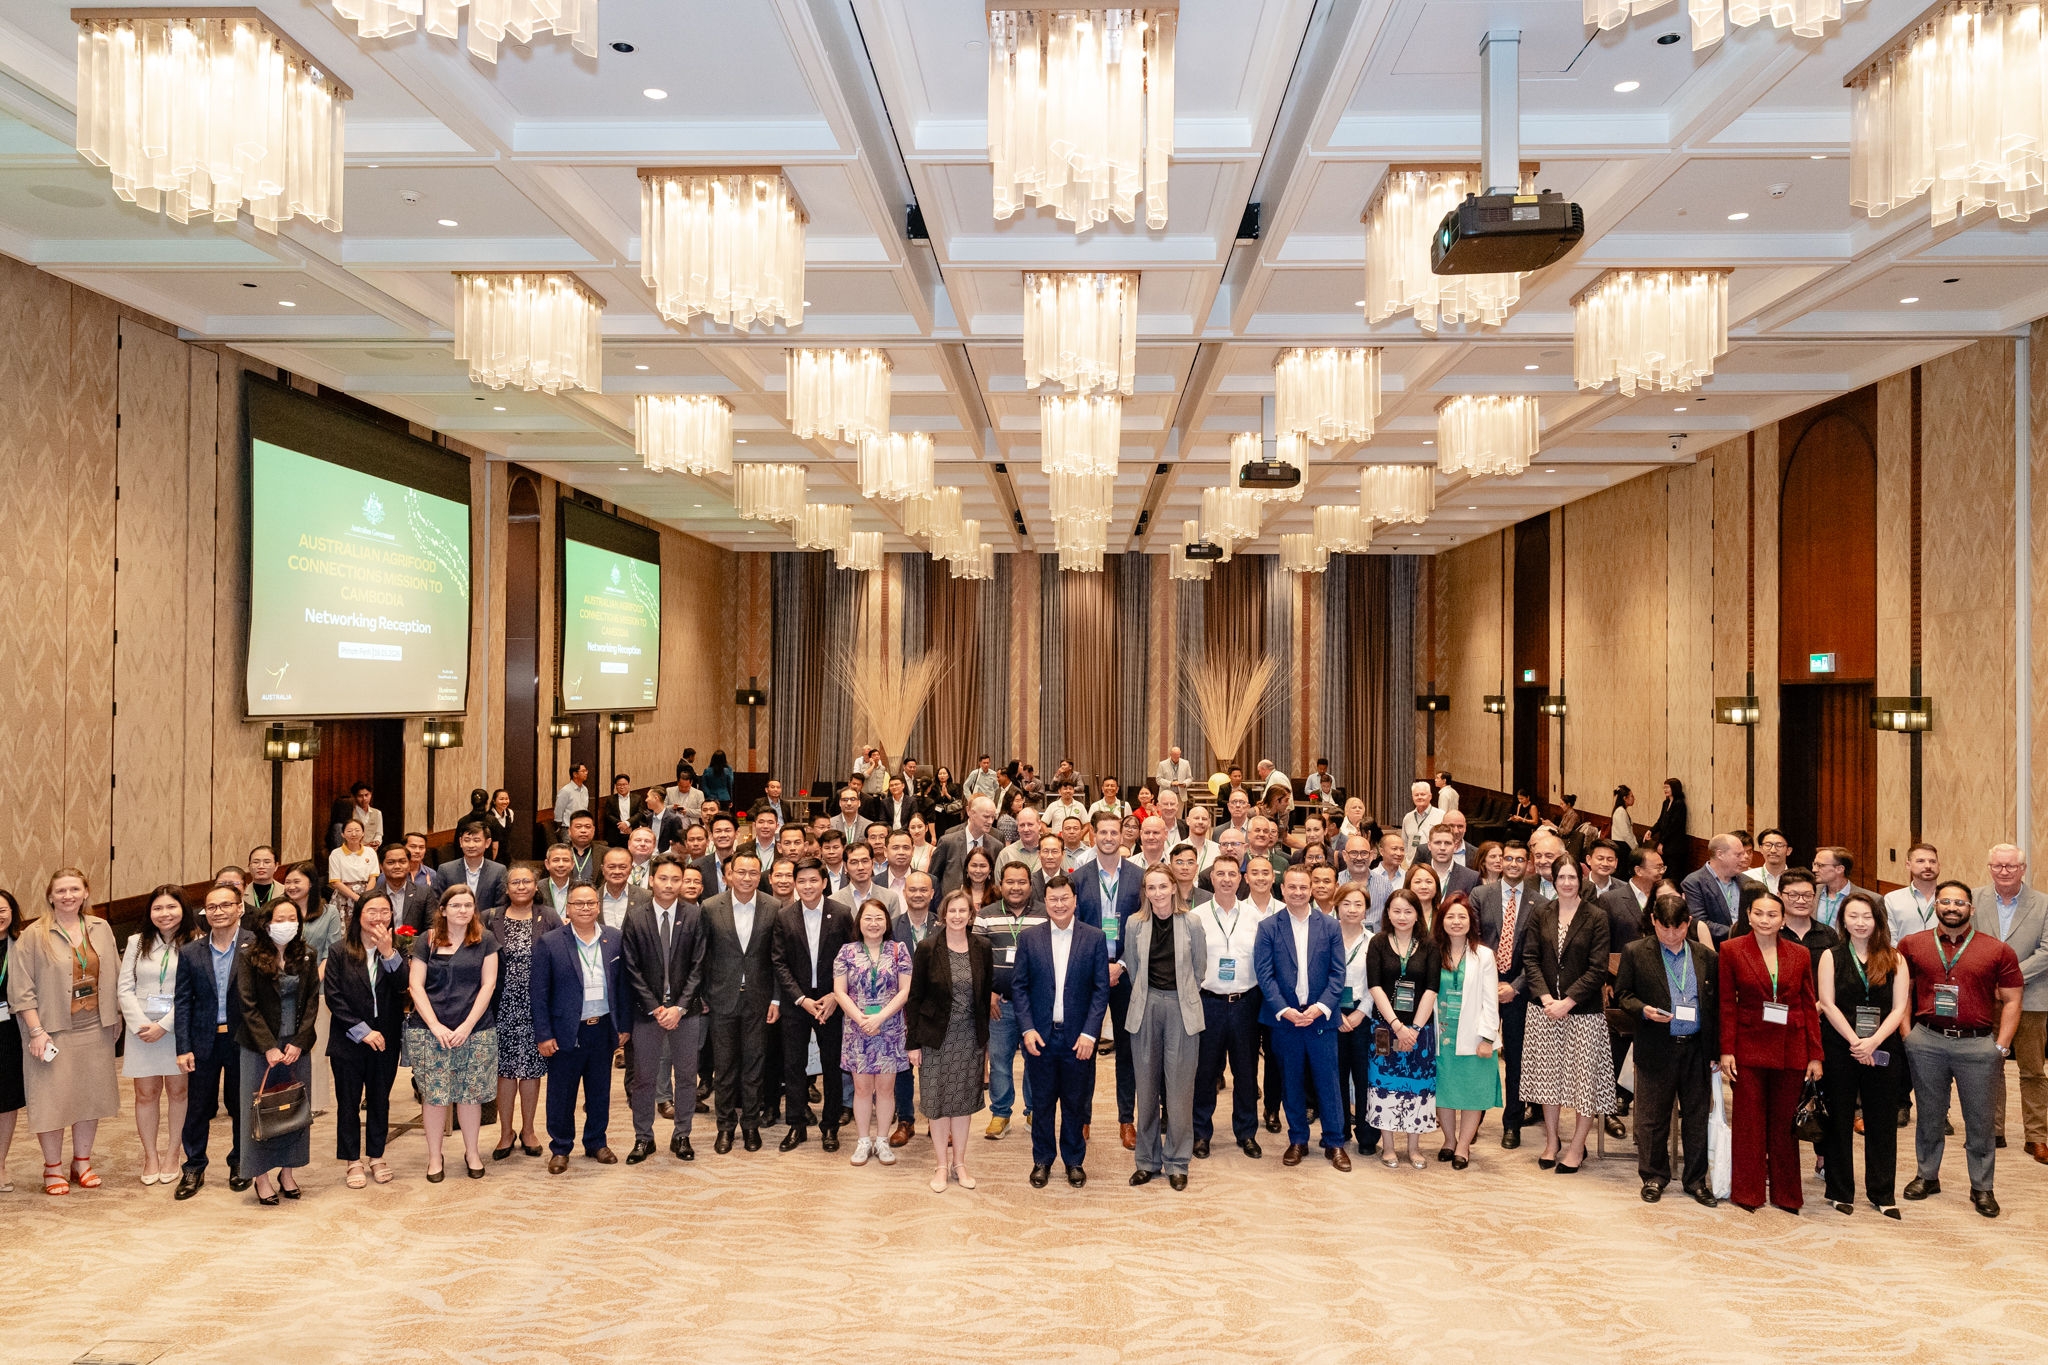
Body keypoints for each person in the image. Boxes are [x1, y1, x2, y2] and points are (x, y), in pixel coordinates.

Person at [1901, 879, 2024, 1216]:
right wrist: (1907, 1034)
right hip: (1926, 1041)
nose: (1952, 908)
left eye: (1959, 903)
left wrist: (2000, 1048)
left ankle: (1982, 1187)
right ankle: (1927, 1176)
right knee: (1929, 1115)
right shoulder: (1912, 945)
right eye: (1945, 902)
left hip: (1977, 1046)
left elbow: (2013, 1000)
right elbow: (1903, 990)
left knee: (1980, 1121)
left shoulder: (1997, 950)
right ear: (1935, 906)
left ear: (1971, 908)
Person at [8, 869, 120, 1197]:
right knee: (52, 1100)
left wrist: (116, 1015)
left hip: (95, 1028)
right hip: (51, 1031)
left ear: (86, 892)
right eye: (61, 890)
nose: (68, 895)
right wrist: (36, 1031)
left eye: (75, 889)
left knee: (90, 1097)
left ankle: (82, 1162)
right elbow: (21, 990)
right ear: (50, 895)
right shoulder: (34, 934)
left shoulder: (101, 928)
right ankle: (52, 1166)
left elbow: (112, 972)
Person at [1719, 891, 1823, 1213]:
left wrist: (1815, 1054)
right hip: (1748, 1047)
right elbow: (1725, 1004)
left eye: (1772, 915)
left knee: (1784, 1126)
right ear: (1748, 915)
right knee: (1749, 1124)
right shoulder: (1731, 949)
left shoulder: (1800, 954)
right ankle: (1748, 1193)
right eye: (1759, 914)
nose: (1766, 920)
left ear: (1783, 918)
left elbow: (1808, 1004)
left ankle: (1787, 1195)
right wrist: (1726, 1050)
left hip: (1791, 1047)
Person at [1614, 892, 1721, 1205]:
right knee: (1652, 1119)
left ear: (1688, 923)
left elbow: (1715, 1007)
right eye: (1664, 928)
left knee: (1696, 1118)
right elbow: (1622, 995)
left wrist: (1715, 1050)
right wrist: (1644, 1010)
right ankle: (1653, 1176)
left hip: (1696, 1049)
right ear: (1653, 922)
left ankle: (1696, 1181)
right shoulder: (1636, 952)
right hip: (1657, 1045)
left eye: (1678, 928)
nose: (1671, 935)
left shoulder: (1705, 956)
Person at [1816, 892, 1909, 1217]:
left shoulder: (1895, 958)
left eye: (1866, 917)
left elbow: (1899, 1008)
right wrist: (1856, 1041)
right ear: (1843, 920)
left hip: (1883, 1047)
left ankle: (1883, 1194)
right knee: (1839, 1118)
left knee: (1882, 1121)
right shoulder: (1832, 955)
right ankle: (1840, 1191)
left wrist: (1873, 1042)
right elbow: (1827, 1003)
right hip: (1841, 1045)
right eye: (1852, 916)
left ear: (1877, 921)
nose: (1859, 922)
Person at [1517, 859, 1614, 1174]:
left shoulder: (1596, 917)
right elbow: (1530, 957)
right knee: (1549, 1080)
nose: (1567, 882)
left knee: (1583, 1082)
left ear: (1581, 879)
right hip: (1544, 1010)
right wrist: (1546, 998)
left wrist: (1567, 1002)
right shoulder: (1541, 912)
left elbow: (1598, 968)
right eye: (1562, 877)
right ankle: (1551, 1142)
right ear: (1554, 880)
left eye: (1573, 877)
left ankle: (1576, 1147)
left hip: (1583, 1012)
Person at [1013, 876, 1109, 1188]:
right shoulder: (1029, 938)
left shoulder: (1094, 938)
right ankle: (1042, 1159)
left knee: (1075, 1103)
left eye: (1064, 898)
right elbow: (1020, 987)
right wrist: (1027, 1029)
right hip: (1040, 1037)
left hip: (1078, 1038)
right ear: (1046, 901)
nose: (1059, 904)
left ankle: (1073, 1161)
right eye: (1053, 899)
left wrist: (1090, 1034)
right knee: (1041, 1103)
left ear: (1075, 899)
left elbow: (1100, 990)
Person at [1255, 866, 1350, 1169]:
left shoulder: (1331, 926)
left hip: (1321, 1018)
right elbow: (1264, 973)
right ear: (1282, 890)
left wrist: (1320, 1007)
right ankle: (1298, 1139)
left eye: (1303, 887)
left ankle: (1334, 1142)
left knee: (1329, 1083)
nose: (1297, 892)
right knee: (1291, 1082)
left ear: (1311, 890)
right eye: (1292, 887)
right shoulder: (1269, 926)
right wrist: (1285, 1010)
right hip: (1285, 1019)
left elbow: (1338, 974)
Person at [406, 886, 501, 1182]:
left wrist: (467, 1026)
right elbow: (415, 985)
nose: (463, 910)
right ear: (443, 910)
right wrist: (435, 1025)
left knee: (470, 1096)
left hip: (475, 1029)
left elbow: (489, 986)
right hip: (430, 1032)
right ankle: (435, 1156)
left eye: (468, 905)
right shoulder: (428, 940)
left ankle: (472, 1152)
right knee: (435, 1097)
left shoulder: (485, 940)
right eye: (456, 905)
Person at [528, 882, 624, 1171]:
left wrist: (624, 1026)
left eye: (590, 903)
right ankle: (560, 1147)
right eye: (578, 903)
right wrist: (544, 1034)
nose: (585, 908)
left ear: (598, 906)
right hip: (566, 1030)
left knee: (600, 1091)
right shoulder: (551, 942)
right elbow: (539, 992)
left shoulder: (614, 938)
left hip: (603, 1027)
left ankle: (596, 1141)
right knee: (561, 1092)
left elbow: (623, 987)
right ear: (567, 908)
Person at [906, 889, 995, 1193]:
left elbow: (984, 997)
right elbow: (915, 998)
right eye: (952, 911)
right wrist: (913, 1043)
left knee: (962, 1103)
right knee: (936, 1102)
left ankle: (960, 1162)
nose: (958, 916)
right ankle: (941, 1165)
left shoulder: (982, 947)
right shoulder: (928, 948)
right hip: (934, 1039)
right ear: (943, 914)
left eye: (964, 911)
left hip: (969, 1038)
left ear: (972, 915)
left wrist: (985, 1043)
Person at [619, 854, 707, 1163]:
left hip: (686, 1012)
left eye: (675, 879)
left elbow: (699, 966)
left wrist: (680, 1007)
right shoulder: (636, 915)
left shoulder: (695, 915)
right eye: (663, 879)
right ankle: (644, 1137)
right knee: (644, 1077)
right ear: (651, 880)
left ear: (683, 882)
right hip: (648, 1012)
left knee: (685, 1076)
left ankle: (681, 1135)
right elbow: (630, 967)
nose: (669, 885)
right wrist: (656, 1008)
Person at [1124, 867, 1206, 1190]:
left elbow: (1199, 970)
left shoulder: (1192, 923)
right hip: (1145, 1008)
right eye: (1151, 887)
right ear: (1145, 891)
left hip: (1182, 1010)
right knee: (1145, 1090)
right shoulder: (1135, 924)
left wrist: (1180, 996)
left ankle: (1177, 1161)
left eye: (1163, 886)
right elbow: (1133, 967)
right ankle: (1147, 1160)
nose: (1157, 893)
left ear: (1174, 887)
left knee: (1179, 1093)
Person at [234, 897, 319, 1205]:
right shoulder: (249, 956)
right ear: (267, 923)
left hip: (296, 1045)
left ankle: (288, 1171)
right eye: (279, 919)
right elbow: (247, 1004)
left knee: (293, 1108)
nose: (286, 924)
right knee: (260, 1109)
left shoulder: (307, 954)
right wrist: (269, 1046)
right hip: (260, 1048)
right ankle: (261, 1176)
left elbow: (311, 1002)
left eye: (291, 918)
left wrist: (298, 1041)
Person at [173, 885, 253, 1200]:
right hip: (202, 1041)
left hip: (242, 1040)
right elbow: (183, 1003)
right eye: (211, 907)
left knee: (241, 1105)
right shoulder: (191, 952)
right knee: (197, 1108)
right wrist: (183, 1047)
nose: (218, 912)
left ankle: (240, 1162)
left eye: (225, 905)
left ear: (240, 908)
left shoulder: (255, 946)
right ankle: (194, 1167)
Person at [323, 888, 406, 1188]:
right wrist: (363, 1031)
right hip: (349, 1040)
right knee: (348, 1102)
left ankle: (376, 1155)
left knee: (380, 1100)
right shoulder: (339, 951)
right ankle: (352, 1161)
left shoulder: (397, 949)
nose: (379, 917)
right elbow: (334, 997)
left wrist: (388, 954)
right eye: (372, 911)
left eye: (385, 911)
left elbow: (404, 987)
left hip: (386, 1038)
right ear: (359, 916)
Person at [772, 860, 855, 1152]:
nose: (807, 886)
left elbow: (850, 957)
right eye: (802, 881)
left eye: (813, 880)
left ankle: (830, 1127)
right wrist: (801, 999)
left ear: (823, 882)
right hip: (798, 1003)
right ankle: (796, 1125)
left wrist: (836, 994)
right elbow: (779, 962)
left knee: (833, 1066)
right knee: (793, 1065)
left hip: (832, 1002)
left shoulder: (842, 913)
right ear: (796, 884)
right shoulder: (784, 916)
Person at [702, 852, 781, 1153]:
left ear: (760, 875)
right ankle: (725, 1127)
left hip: (759, 1000)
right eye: (741, 872)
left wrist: (776, 997)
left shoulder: (773, 906)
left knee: (754, 1065)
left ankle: (750, 1125)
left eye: (753, 872)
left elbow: (777, 958)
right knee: (724, 1068)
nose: (747, 877)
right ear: (729, 874)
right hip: (721, 999)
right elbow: (702, 955)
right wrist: (703, 995)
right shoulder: (710, 907)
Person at [1973, 844, 2047, 1161]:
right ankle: (1993, 1131)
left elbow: (2047, 951)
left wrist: (2011, 979)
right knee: (1990, 1065)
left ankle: (2037, 1136)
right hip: (1985, 997)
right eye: (1998, 866)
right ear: (1989, 868)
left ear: (2023, 869)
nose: (2004, 871)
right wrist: (1991, 983)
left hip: (2031, 997)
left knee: (2032, 1070)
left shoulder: (2043, 904)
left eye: (2011, 866)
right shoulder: (1973, 900)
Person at [119, 885, 195, 1185]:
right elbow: (124, 988)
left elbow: (194, 992)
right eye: (158, 908)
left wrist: (164, 1025)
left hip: (177, 1028)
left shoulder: (195, 941)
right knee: (145, 1094)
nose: (164, 914)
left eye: (171, 907)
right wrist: (140, 1024)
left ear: (182, 909)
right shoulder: (136, 943)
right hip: (141, 1030)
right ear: (150, 913)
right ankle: (150, 1155)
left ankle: (173, 1152)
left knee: (178, 1092)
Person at [1470, 845, 1543, 1150]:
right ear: (1499, 863)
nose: (1513, 864)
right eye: (1508, 859)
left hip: (1519, 991)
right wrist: (1489, 986)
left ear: (1529, 865)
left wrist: (1515, 986)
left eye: (1519, 859)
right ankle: (1472, 1121)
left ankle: (1512, 1122)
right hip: (1482, 987)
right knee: (1478, 1055)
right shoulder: (1480, 896)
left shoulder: (1540, 903)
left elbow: (1540, 955)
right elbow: (1471, 942)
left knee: (1516, 1059)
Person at [484, 864, 559, 1160]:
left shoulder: (549, 917)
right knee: (504, 1071)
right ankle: (506, 1132)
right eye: (515, 882)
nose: (521, 886)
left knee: (530, 1070)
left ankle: (528, 1130)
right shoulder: (490, 918)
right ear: (506, 888)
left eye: (526, 881)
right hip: (500, 1004)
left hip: (536, 1005)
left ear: (535, 885)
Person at [831, 900, 913, 1167]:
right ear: (859, 922)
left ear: (887, 922)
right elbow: (839, 992)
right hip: (857, 1029)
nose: (874, 923)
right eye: (868, 918)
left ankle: (882, 1140)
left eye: (879, 918)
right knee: (862, 1088)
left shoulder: (899, 951)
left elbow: (904, 991)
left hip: (889, 1029)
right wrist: (862, 1019)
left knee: (886, 1089)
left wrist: (879, 1017)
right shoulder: (846, 952)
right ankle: (863, 1140)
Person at [1365, 889, 1440, 1170]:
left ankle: (1414, 1147)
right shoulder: (1378, 942)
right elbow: (1375, 986)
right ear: (1387, 914)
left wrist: (1415, 1029)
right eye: (1396, 911)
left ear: (1417, 915)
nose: (1402, 917)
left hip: (1420, 1030)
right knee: (1385, 1087)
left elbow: (1432, 988)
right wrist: (1397, 1026)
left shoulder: (1430, 944)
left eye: (1408, 911)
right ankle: (1388, 1147)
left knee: (1417, 1088)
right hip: (1384, 1028)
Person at [976, 861, 1046, 1141]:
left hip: (1035, 1005)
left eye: (1021, 882)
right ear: (1000, 884)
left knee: (1035, 1059)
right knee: (1001, 1061)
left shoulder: (1044, 914)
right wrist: (987, 992)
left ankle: (1033, 1110)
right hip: (999, 1004)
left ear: (1031, 885)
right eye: (1010, 882)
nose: (1015, 887)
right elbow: (977, 960)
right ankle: (1001, 1113)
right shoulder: (985, 915)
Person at [1433, 894, 1501, 1169]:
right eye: (1450, 916)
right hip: (1441, 1034)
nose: (1456, 921)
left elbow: (1490, 1000)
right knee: (1444, 1090)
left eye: (1462, 916)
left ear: (1471, 921)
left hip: (1473, 1035)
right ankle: (1449, 1140)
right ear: (1442, 921)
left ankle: (1463, 1145)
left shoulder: (1483, 955)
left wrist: (1488, 1037)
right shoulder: (1432, 951)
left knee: (1472, 1091)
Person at [1330, 885, 1377, 1157]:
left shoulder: (1373, 941)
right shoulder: (1326, 937)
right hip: (1331, 1015)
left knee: (1363, 1077)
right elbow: (1317, 978)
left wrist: (1361, 1012)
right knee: (1334, 1077)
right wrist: (1334, 1012)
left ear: (1366, 909)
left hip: (1363, 1016)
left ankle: (1367, 1134)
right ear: (1337, 906)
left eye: (1358, 904)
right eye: (1346, 903)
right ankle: (1339, 1129)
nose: (1352, 909)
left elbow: (1376, 982)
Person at [327, 818, 377, 920]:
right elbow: (336, 882)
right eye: (349, 831)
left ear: (363, 833)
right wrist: (357, 898)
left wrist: (365, 898)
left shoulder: (370, 852)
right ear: (343, 834)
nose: (353, 834)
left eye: (357, 830)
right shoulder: (336, 854)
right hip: (343, 896)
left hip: (366, 894)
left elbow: (373, 878)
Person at [1648, 779, 1691, 878]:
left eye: (1667, 787)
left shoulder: (1679, 804)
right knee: (1664, 872)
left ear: (1674, 788)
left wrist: (1662, 842)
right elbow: (1660, 821)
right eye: (1664, 787)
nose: (1665, 789)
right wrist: (1651, 830)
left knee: (1673, 873)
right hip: (1665, 843)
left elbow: (1674, 827)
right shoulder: (1666, 803)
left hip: (1675, 845)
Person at [554, 762, 592, 832]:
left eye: (586, 771)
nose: (586, 773)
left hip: (582, 827)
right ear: (575, 774)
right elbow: (558, 812)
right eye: (583, 771)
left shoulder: (585, 789)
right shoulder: (566, 790)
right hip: (568, 828)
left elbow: (584, 808)